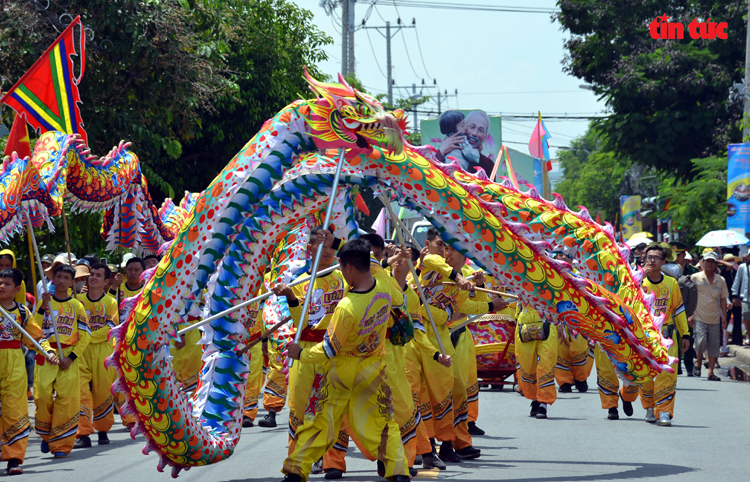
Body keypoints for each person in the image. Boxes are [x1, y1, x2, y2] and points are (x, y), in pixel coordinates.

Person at [280, 238, 410, 482]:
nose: (340, 272)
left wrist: (301, 354)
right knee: (383, 422)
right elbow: (399, 298)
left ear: (349, 267)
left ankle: (297, 472)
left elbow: (329, 349)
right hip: (372, 368)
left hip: (339, 371)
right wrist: (341, 243)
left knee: (319, 421)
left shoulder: (346, 306)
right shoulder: (384, 288)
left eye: (342, 267)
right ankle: (398, 472)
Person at [272, 226, 350, 477]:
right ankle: (297, 463)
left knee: (335, 405)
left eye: (330, 246)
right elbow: (301, 323)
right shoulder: (300, 282)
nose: (326, 251)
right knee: (300, 406)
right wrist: (291, 298)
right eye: (320, 245)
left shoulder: (344, 277)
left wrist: (337, 242)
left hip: (336, 349)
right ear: (309, 249)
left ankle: (334, 461)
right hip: (306, 349)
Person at [419, 244, 506, 461]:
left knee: (456, 389)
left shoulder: (468, 279)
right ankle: (427, 444)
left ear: (464, 253)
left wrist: (489, 303)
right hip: (422, 338)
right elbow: (431, 261)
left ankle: (449, 443)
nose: (447, 253)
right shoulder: (432, 267)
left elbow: (465, 307)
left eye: (452, 249)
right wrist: (457, 278)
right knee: (428, 392)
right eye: (444, 248)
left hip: (445, 336)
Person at [0, 268, 55, 475]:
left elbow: (37, 338)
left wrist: (48, 352)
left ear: (16, 288)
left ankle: (14, 458)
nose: (2, 286)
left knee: (14, 411)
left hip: (14, 365)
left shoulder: (22, 312)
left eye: (6, 283)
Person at [34, 264, 91, 457]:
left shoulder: (76, 306)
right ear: (53, 279)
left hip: (68, 357)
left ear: (71, 282)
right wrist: (42, 307)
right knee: (41, 397)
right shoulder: (45, 303)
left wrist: (71, 357)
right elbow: (34, 329)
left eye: (66, 278)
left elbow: (86, 335)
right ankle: (46, 435)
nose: (61, 281)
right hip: (45, 355)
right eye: (58, 277)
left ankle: (61, 445)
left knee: (66, 401)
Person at [639, 243, 689, 426]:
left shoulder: (671, 283)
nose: (652, 261)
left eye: (656, 258)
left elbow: (679, 310)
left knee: (667, 374)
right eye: (649, 257)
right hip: (643, 336)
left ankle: (665, 411)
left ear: (663, 262)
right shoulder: (637, 281)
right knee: (646, 374)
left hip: (667, 335)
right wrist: (638, 279)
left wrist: (685, 334)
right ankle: (649, 407)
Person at [74, 263, 118, 448]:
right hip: (81, 352)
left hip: (103, 351)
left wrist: (88, 336)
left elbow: (110, 328)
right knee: (81, 392)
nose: (93, 277)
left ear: (106, 281)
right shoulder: (77, 300)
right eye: (92, 274)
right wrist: (85, 339)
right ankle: (83, 433)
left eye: (98, 275)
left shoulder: (111, 302)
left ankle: (103, 430)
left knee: (102, 391)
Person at [515, 303, 558, 419]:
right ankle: (535, 399)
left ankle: (543, 403)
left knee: (546, 363)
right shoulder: (519, 284)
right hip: (525, 322)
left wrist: (562, 327)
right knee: (527, 365)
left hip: (548, 321)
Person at [691, 251, 727, 381]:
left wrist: (725, 317)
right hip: (699, 316)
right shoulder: (695, 277)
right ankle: (699, 362)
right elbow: (689, 296)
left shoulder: (720, 280)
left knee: (713, 346)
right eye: (707, 261)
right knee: (700, 342)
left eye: (712, 261)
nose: (710, 263)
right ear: (703, 263)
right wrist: (689, 315)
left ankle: (710, 372)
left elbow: (723, 299)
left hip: (715, 317)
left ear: (716, 264)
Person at [435, 110, 494, 175]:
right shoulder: (448, 146)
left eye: (480, 130)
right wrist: (441, 152)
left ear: (485, 137)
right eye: (472, 127)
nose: (474, 133)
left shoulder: (487, 164)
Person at [730, 253, 750, 347]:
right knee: (746, 316)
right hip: (745, 296)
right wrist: (734, 295)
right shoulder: (743, 267)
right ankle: (749, 336)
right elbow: (737, 280)